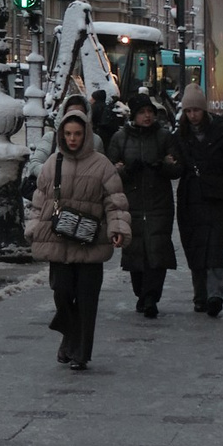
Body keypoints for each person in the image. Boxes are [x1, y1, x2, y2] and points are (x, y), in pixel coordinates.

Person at [24, 109, 130, 370]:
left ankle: (80, 352)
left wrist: (117, 228)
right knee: (61, 292)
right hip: (58, 241)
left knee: (86, 299)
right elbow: (39, 202)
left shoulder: (102, 165)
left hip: (90, 240)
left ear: (87, 135)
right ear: (61, 134)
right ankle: (70, 337)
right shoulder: (52, 163)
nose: (73, 139)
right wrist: (33, 228)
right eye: (68, 134)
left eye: (78, 134)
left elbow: (115, 201)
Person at [172, 86, 223, 317]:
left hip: (218, 196)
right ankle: (200, 296)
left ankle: (215, 295)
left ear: (204, 109)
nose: (193, 115)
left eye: (196, 110)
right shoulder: (180, 136)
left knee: (215, 247)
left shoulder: (221, 130)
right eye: (189, 110)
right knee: (195, 248)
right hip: (191, 198)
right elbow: (176, 167)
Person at [107, 97, 179, 318]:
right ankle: (141, 293)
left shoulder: (164, 136)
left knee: (157, 248)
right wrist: (126, 171)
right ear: (133, 115)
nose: (147, 116)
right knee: (135, 249)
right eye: (142, 112)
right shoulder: (120, 139)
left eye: (150, 111)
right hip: (131, 203)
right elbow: (109, 172)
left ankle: (151, 297)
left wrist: (164, 167)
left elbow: (177, 168)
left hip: (159, 203)